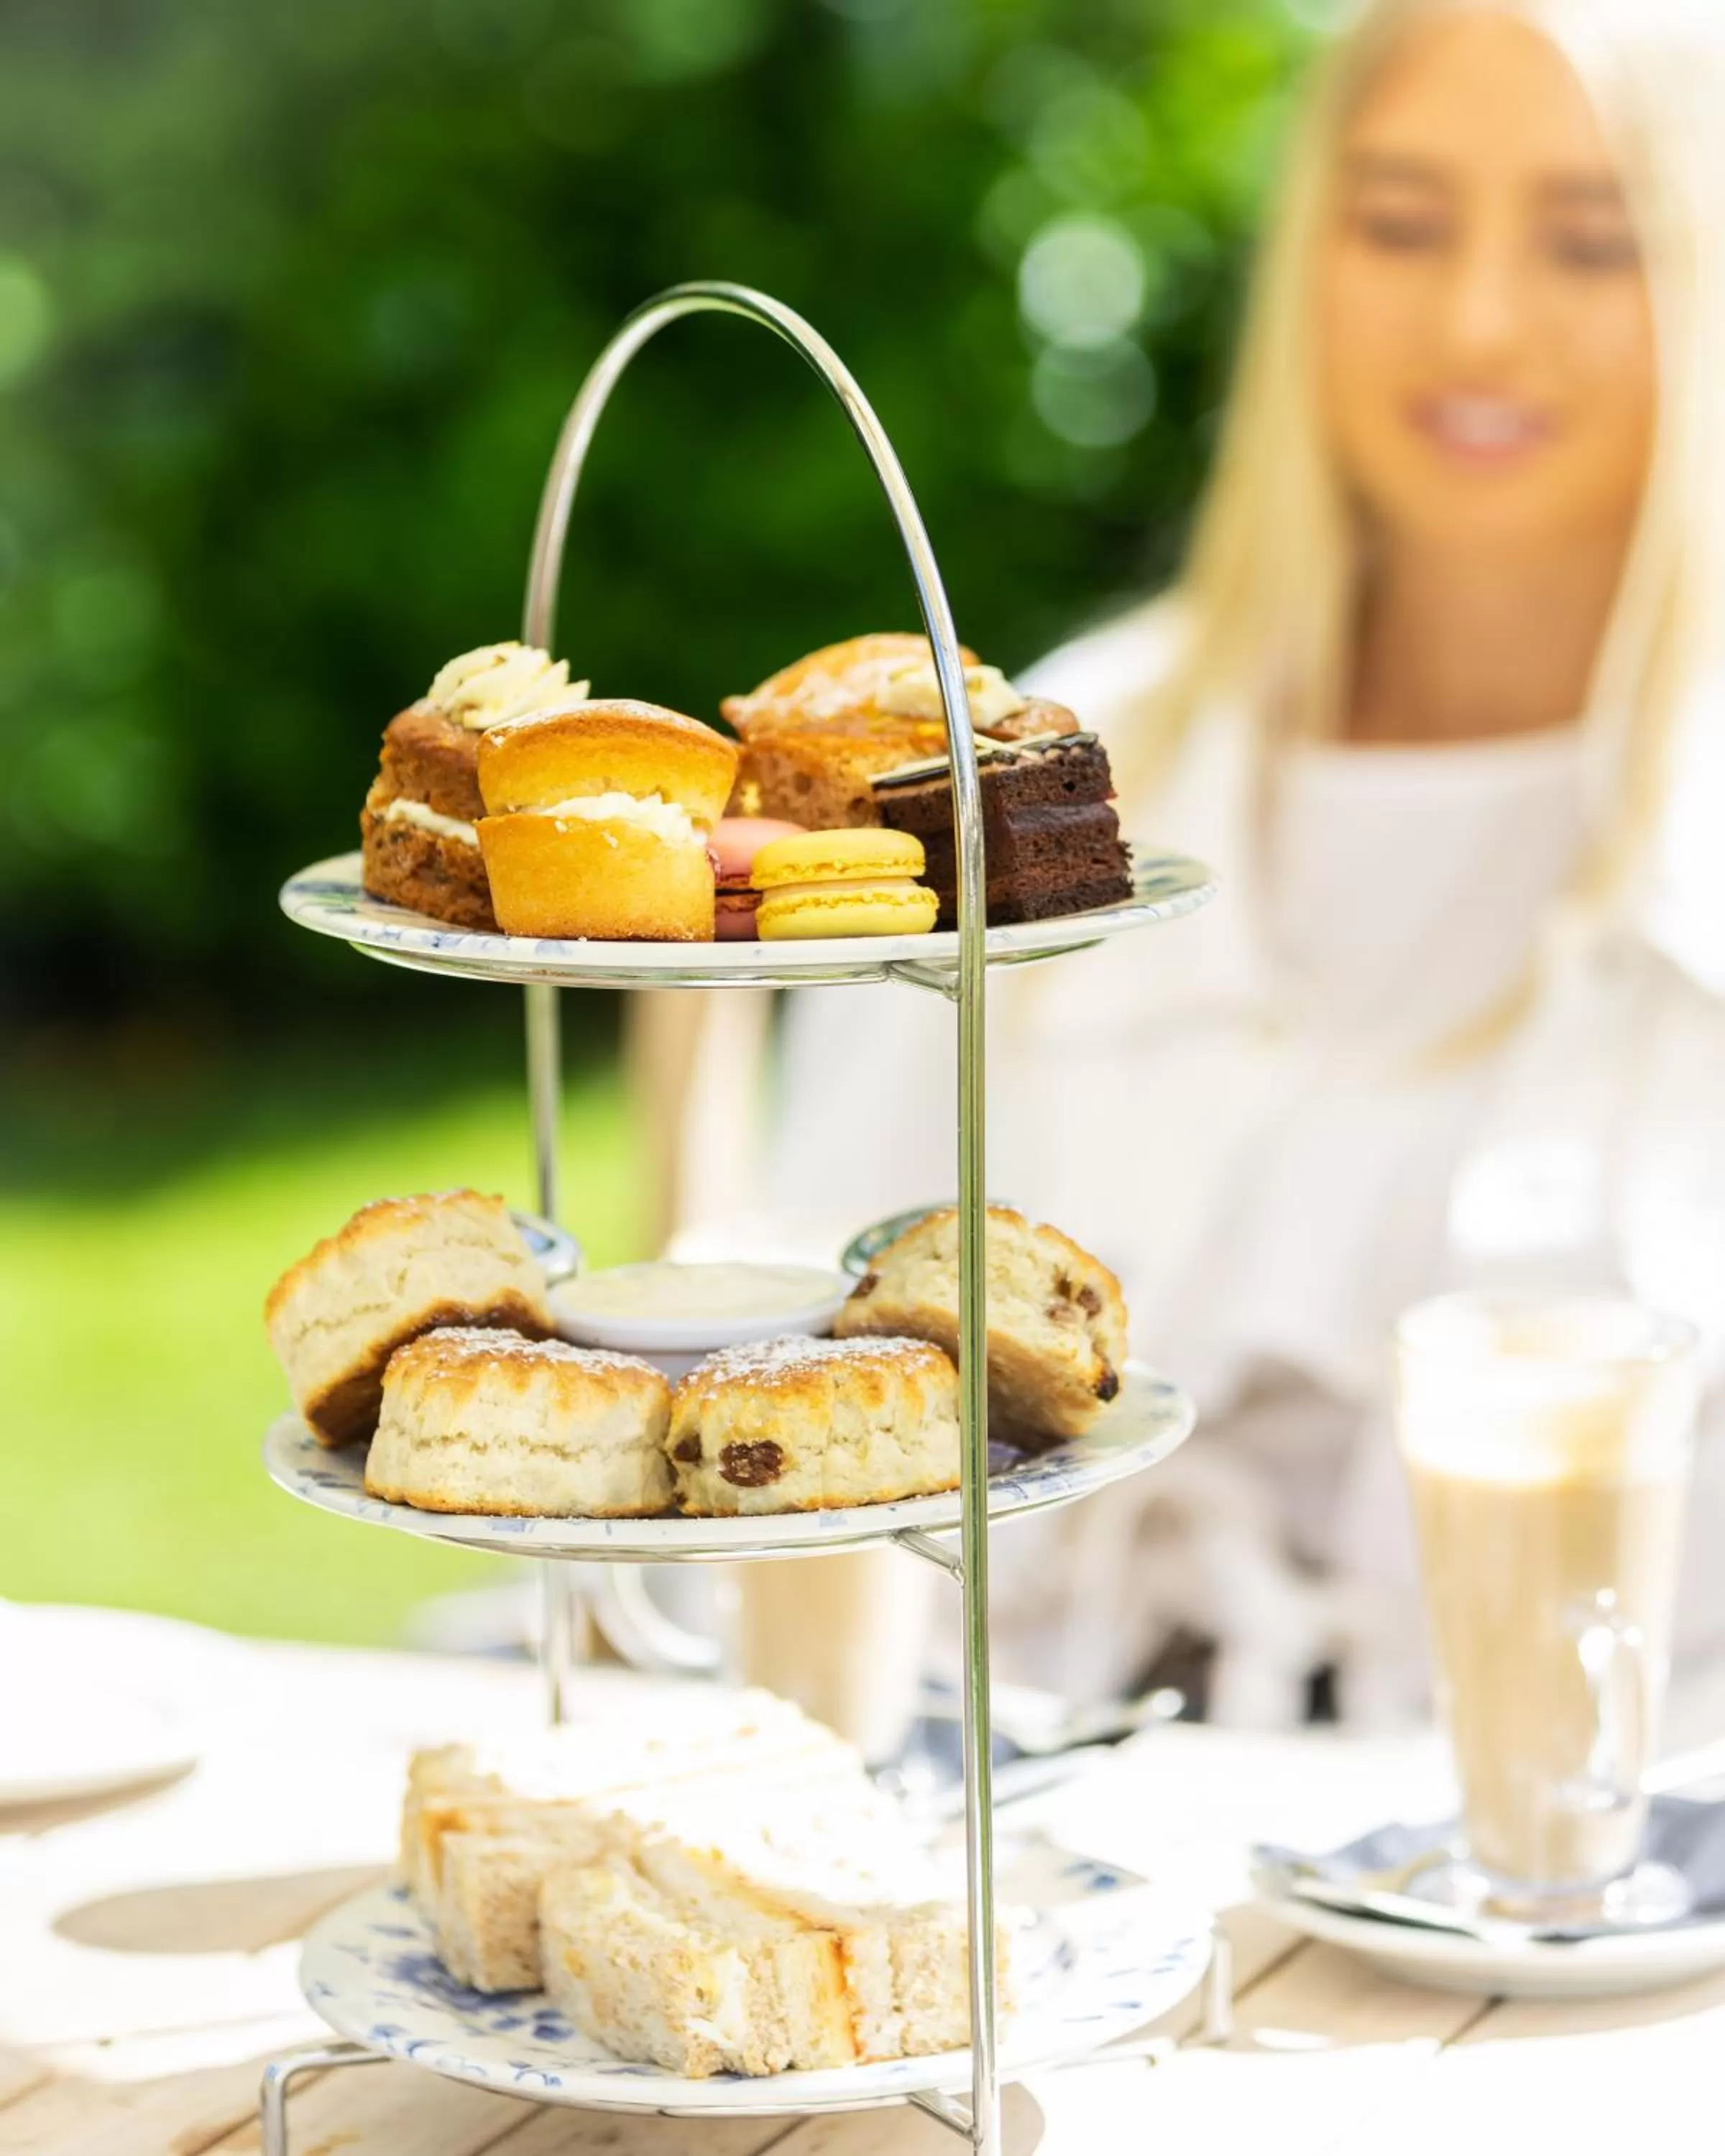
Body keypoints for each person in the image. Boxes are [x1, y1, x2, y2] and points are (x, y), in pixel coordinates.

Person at [660, 0, 1725, 1726]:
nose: (1479, 320)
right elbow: (791, 1350)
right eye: (1399, 224)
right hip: (1019, 1857)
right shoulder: (1065, 769)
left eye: (1594, 240)